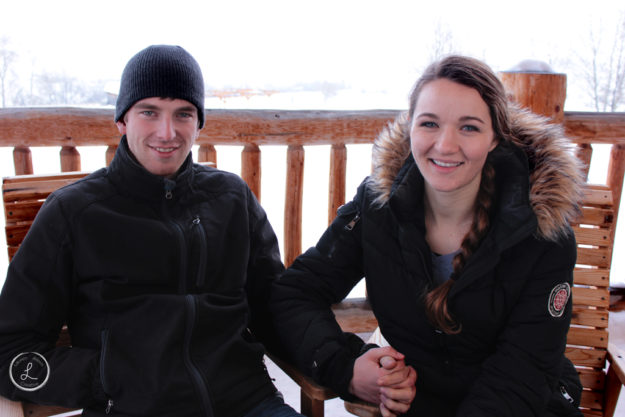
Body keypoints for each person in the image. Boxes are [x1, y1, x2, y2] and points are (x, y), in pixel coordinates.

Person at [271, 55, 585, 416]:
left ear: (496, 138)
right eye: (430, 123)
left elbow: (523, 373)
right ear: (411, 130)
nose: (445, 145)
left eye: (469, 127)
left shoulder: (541, 231)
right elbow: (294, 293)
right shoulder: (378, 208)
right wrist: (348, 369)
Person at [0, 45, 303, 417]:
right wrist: (104, 378)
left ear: (199, 123)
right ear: (122, 121)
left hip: (246, 403)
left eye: (183, 114)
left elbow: (276, 310)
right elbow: (10, 351)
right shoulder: (74, 213)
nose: (167, 132)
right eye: (149, 112)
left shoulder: (231, 197)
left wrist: (345, 365)